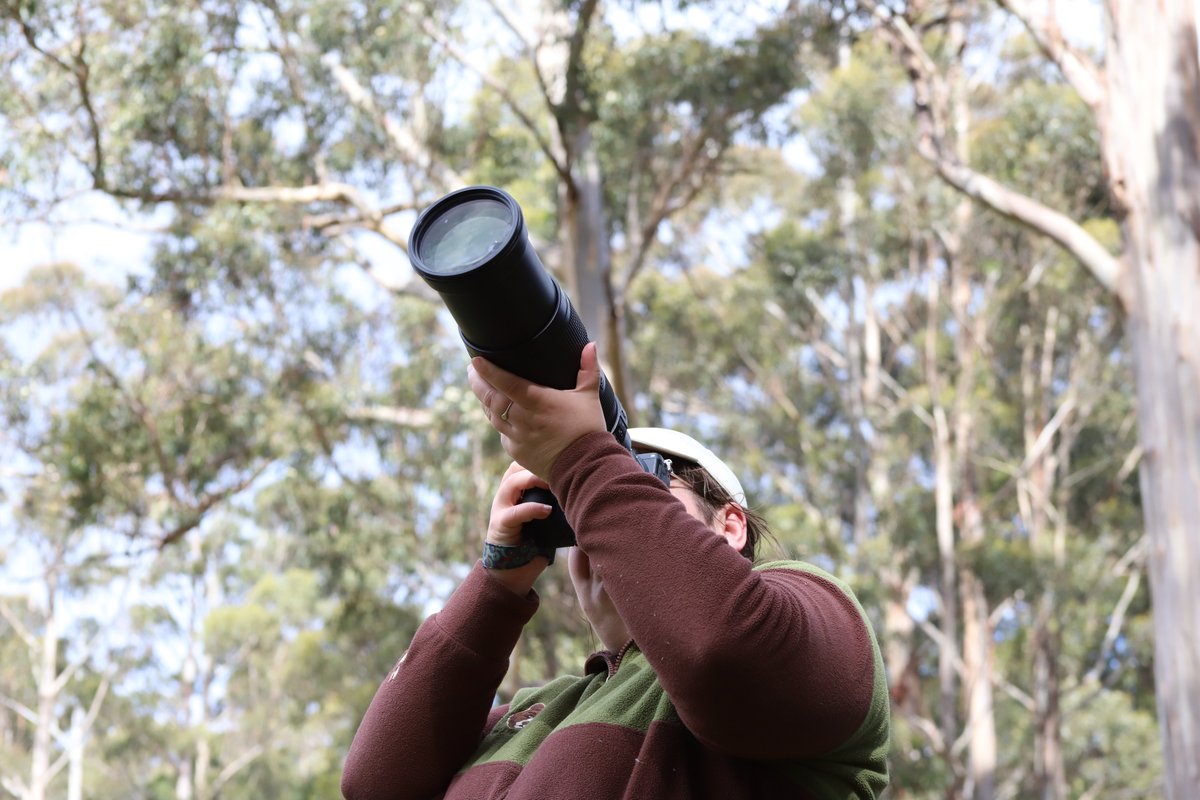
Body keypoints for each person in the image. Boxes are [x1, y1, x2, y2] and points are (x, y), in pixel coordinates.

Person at [341, 343, 890, 799]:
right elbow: (376, 785)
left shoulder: (812, 617)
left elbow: (719, 649)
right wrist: (497, 583)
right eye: (575, 506)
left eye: (638, 480)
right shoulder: (534, 709)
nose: (592, 519)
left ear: (730, 526)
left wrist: (581, 455)